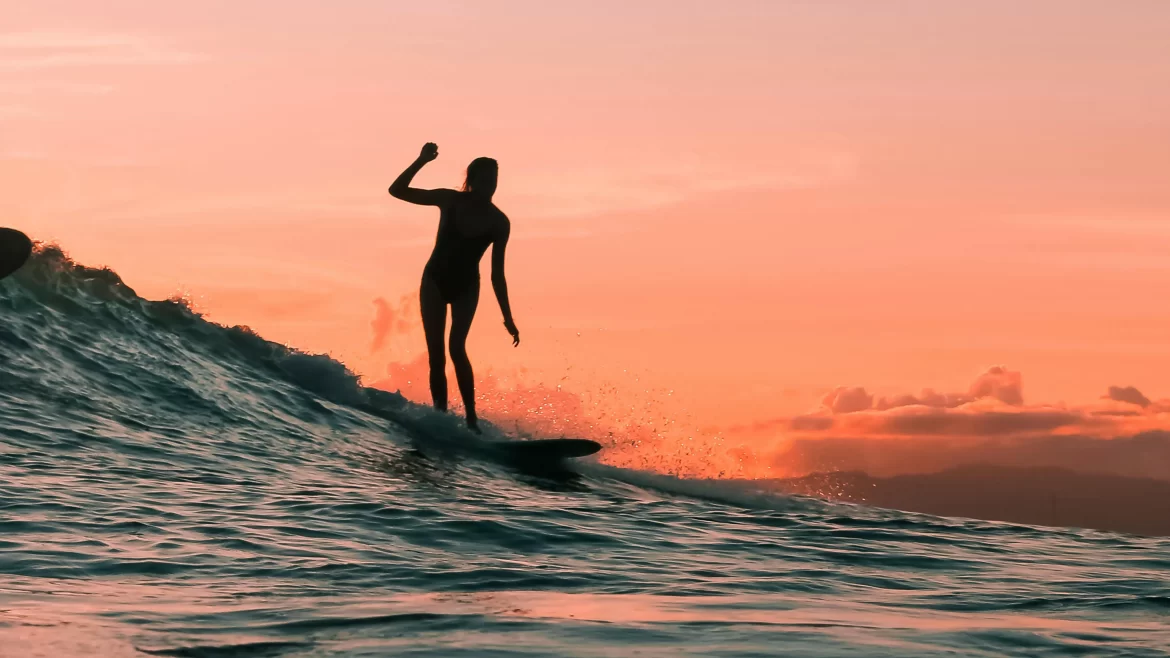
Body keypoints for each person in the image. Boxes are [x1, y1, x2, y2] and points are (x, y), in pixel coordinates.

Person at [389, 143, 519, 432]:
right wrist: (421, 160)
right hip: (435, 280)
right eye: (485, 180)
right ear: (472, 180)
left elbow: (498, 274)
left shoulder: (499, 222)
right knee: (436, 354)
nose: (490, 186)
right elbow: (396, 191)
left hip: (467, 286)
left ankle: (471, 420)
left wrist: (507, 317)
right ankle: (441, 418)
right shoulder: (450, 200)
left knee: (457, 348)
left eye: (494, 181)